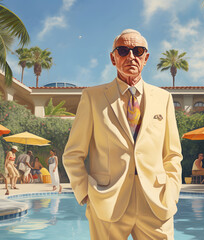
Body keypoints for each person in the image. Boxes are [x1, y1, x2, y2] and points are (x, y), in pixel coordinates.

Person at [63, 29, 182, 239]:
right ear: (113, 57)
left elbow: (172, 155)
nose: (131, 57)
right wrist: (86, 195)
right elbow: (73, 154)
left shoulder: (163, 98)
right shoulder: (92, 97)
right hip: (107, 203)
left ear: (146, 58)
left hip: (156, 203)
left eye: (138, 51)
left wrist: (171, 194)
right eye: (123, 50)